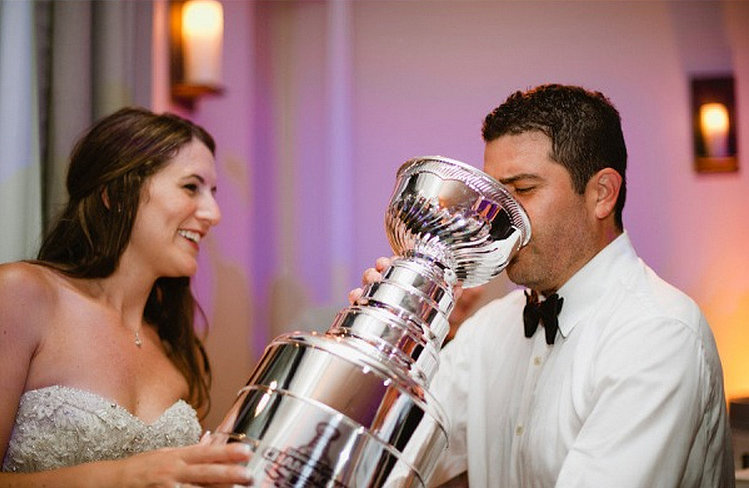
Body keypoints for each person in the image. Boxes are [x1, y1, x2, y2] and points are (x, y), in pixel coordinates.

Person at [356, 85, 734, 487]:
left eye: (522, 190)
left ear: (602, 194)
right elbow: (388, 466)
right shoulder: (488, 330)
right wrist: (387, 351)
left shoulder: (659, 333)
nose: (497, 217)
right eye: (495, 194)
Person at [0, 107, 254, 486]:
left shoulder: (175, 348)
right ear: (115, 194)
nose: (213, 213)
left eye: (213, 193)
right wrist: (128, 474)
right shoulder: (22, 294)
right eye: (191, 187)